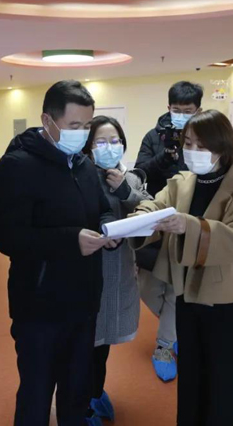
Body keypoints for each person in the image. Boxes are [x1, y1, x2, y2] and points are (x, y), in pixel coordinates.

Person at [0, 80, 117, 426]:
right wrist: (70, 240)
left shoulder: (84, 165)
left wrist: (110, 228)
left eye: (87, 125)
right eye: (74, 125)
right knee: (36, 395)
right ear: (47, 121)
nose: (82, 133)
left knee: (76, 394)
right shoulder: (17, 167)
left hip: (84, 302)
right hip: (39, 307)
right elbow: (7, 237)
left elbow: (102, 209)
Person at [132, 109, 233, 426]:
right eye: (188, 143)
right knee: (190, 374)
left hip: (226, 301)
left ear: (222, 147)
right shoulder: (182, 182)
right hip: (187, 295)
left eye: (202, 146)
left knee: (222, 379)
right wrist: (141, 217)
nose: (193, 151)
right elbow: (156, 204)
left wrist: (188, 225)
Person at [81, 116, 152, 425]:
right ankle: (81, 403)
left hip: (119, 273)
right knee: (85, 344)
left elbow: (149, 209)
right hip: (87, 272)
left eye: (114, 141)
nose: (109, 147)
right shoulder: (79, 176)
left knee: (104, 343)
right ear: (88, 146)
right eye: (101, 141)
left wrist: (125, 191)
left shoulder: (130, 178)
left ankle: (96, 392)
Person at [134, 81, 203, 381]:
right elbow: (140, 172)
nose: (182, 115)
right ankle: (179, 327)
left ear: (198, 110)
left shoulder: (205, 139)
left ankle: (164, 346)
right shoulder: (153, 137)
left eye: (188, 110)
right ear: (168, 108)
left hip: (188, 223)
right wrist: (164, 157)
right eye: (177, 110)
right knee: (147, 286)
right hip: (156, 221)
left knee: (176, 287)